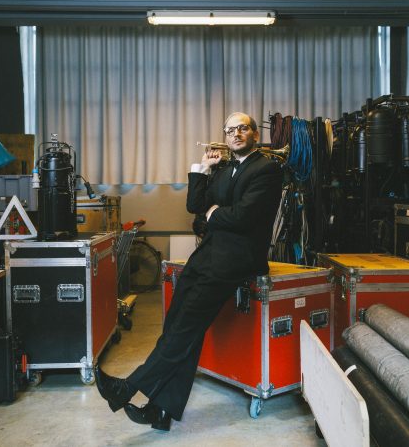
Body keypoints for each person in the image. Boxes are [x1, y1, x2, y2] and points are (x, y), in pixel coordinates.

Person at [94, 112, 283, 431]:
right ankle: (161, 411)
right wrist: (202, 170)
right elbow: (195, 207)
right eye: (230, 130)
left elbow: (244, 218)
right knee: (177, 328)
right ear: (225, 137)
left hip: (237, 259)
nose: (235, 134)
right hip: (207, 255)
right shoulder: (223, 170)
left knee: (185, 328)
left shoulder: (266, 169)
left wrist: (215, 214)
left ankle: (128, 387)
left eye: (242, 128)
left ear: (254, 133)